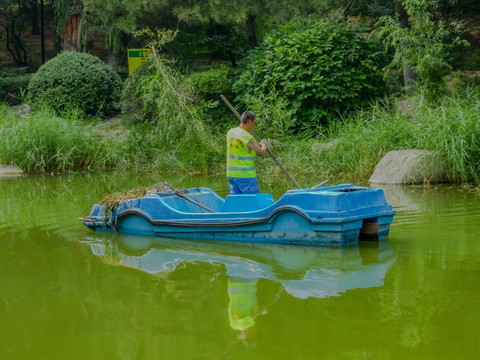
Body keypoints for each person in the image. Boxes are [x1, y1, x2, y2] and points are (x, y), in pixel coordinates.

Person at [226, 111, 267, 194]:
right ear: (249, 122)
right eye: (254, 123)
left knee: (237, 202)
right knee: (252, 202)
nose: (254, 126)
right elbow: (261, 153)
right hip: (245, 176)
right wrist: (264, 144)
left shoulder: (231, 132)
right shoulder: (247, 137)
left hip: (232, 175)